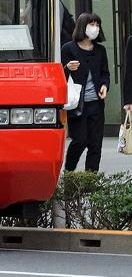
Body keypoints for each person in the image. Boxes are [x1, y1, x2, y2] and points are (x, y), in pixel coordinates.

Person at [61, 12, 109, 172]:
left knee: (95, 144)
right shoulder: (68, 48)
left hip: (96, 103)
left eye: (97, 25)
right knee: (80, 140)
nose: (95, 28)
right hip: (77, 104)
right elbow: (60, 75)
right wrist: (67, 68)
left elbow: (105, 73)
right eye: (91, 25)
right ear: (82, 26)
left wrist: (104, 86)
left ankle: (91, 183)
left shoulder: (100, 50)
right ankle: (69, 173)